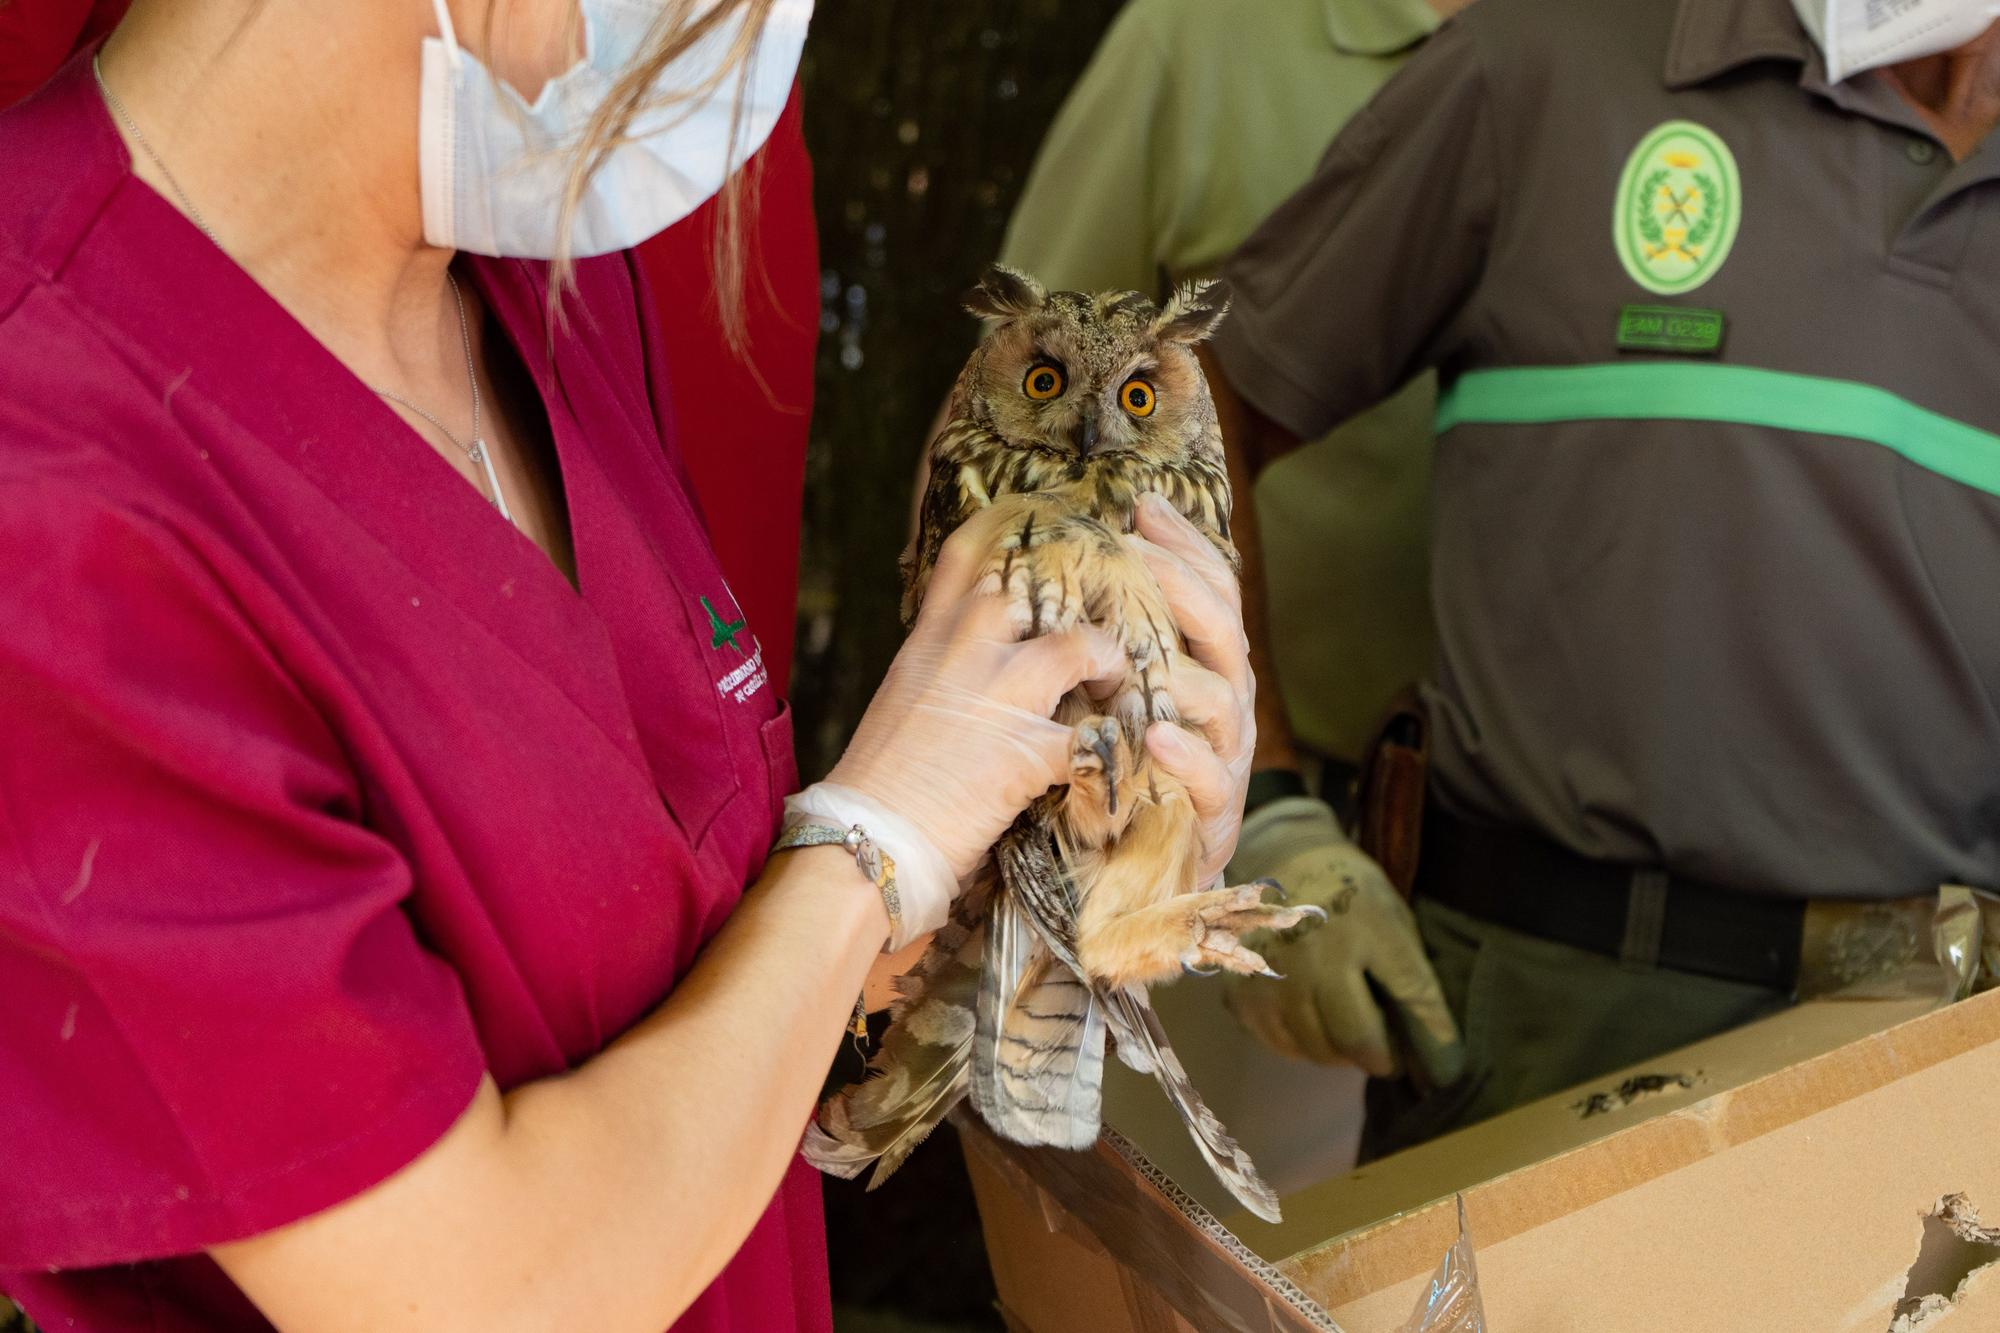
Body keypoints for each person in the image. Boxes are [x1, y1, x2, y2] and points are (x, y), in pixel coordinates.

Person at [0, 4, 1257, 1331]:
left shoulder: (547, 278)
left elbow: (696, 965)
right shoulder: (51, 476)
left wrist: (1057, 847)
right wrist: (881, 831)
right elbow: (480, 1293)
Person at [1214, 0, 2000, 1161]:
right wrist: (1258, 811)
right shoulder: (1541, 66)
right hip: (1545, 1021)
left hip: (1931, 1064)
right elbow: (1186, 409)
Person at [933, 0, 1476, 1157]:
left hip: (1536, 869)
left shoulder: (1653, 49)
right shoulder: (1199, 37)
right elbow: (1015, 401)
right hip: (1205, 808)